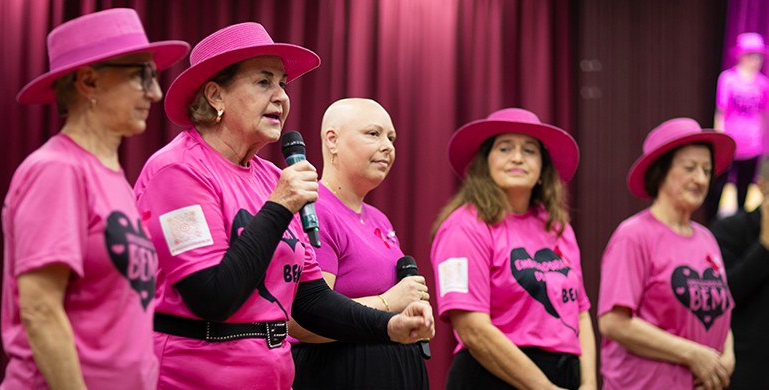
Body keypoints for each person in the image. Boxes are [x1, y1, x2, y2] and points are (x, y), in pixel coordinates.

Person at [133, 23, 434, 390]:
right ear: (215, 95)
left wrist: (387, 326)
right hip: (191, 377)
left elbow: (311, 300)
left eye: (282, 84)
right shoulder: (177, 171)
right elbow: (212, 295)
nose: (281, 97)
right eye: (263, 82)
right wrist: (279, 206)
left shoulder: (270, 176)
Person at [0, 8, 189, 390]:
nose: (154, 92)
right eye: (142, 75)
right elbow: (40, 310)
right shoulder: (57, 170)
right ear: (89, 81)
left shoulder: (113, 176)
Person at [430, 108, 596, 390]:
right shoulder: (464, 226)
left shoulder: (558, 227)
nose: (517, 157)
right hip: (495, 376)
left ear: (543, 168)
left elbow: (580, 313)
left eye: (529, 150)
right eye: (505, 148)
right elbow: (472, 329)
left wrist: (589, 384)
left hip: (565, 375)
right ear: (485, 164)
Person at [288, 98, 430, 389]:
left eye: (391, 138)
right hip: (339, 372)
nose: (388, 146)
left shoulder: (380, 219)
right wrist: (389, 303)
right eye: (373, 134)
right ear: (333, 140)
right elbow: (304, 322)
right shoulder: (314, 211)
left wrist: (412, 312)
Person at [598, 118, 736, 390]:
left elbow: (721, 310)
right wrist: (692, 354)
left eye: (707, 171)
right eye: (689, 168)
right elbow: (614, 323)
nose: (700, 179)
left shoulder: (707, 238)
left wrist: (727, 358)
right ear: (661, 172)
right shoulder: (634, 235)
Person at [709, 157, 769, 389]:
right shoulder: (730, 230)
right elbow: (722, 296)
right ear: (762, 186)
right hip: (742, 373)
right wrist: (764, 247)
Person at [705, 32, 769, 222]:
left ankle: (739, 225)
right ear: (741, 55)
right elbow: (721, 111)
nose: (755, 60)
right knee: (718, 186)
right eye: (751, 55)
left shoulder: (763, 83)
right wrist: (719, 139)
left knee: (744, 188)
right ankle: (710, 222)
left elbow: (764, 115)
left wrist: (763, 145)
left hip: (752, 146)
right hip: (730, 144)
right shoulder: (727, 79)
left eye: (759, 56)